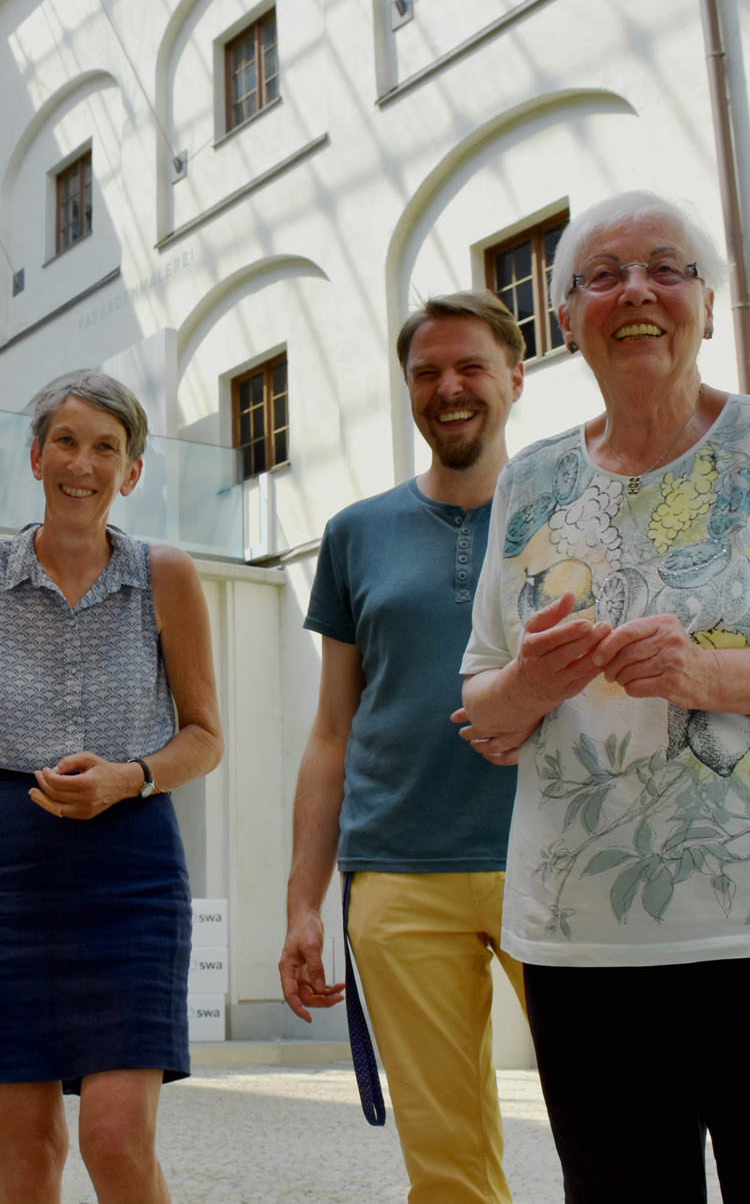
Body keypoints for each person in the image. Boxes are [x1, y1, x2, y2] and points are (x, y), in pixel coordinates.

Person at [455, 192, 750, 1204]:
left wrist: (706, 673)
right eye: (602, 273)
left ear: (707, 306)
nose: (635, 290)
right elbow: (481, 713)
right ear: (565, 314)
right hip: (585, 939)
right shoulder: (529, 485)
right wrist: (528, 683)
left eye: (666, 268)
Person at [0, 371, 222, 1204]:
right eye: (66, 441)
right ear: (35, 455)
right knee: (26, 1155)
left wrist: (130, 778)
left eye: (105, 448)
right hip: (3, 870)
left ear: (130, 472)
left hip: (131, 870)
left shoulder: (166, 575)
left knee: (116, 1141)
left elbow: (205, 737)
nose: (81, 464)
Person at [278, 290, 531, 1203]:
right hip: (396, 872)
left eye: (470, 367)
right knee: (446, 1161)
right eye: (426, 373)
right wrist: (304, 903)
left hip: (557, 859)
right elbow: (332, 730)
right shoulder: (355, 534)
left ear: (515, 377)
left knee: (615, 1128)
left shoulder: (571, 508)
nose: (448, 388)